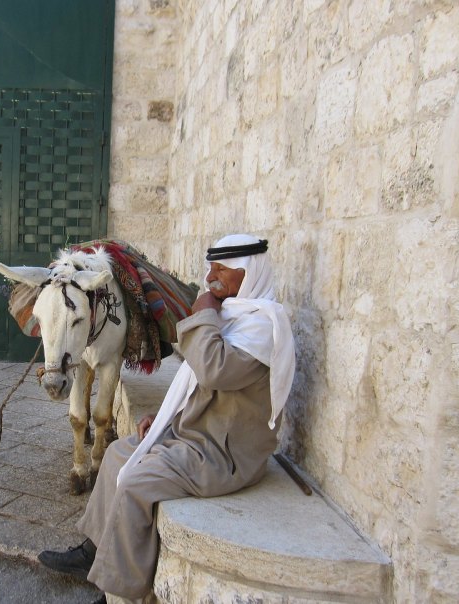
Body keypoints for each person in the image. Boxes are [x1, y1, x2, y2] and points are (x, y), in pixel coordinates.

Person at [37, 234, 296, 603]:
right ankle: (94, 551)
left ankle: (118, 589)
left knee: (138, 482)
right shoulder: (236, 318)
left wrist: (202, 312)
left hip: (225, 454)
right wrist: (166, 416)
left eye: (223, 270)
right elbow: (201, 386)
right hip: (196, 432)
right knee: (116, 457)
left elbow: (212, 370)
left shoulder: (263, 328)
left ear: (250, 273)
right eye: (211, 269)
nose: (211, 279)